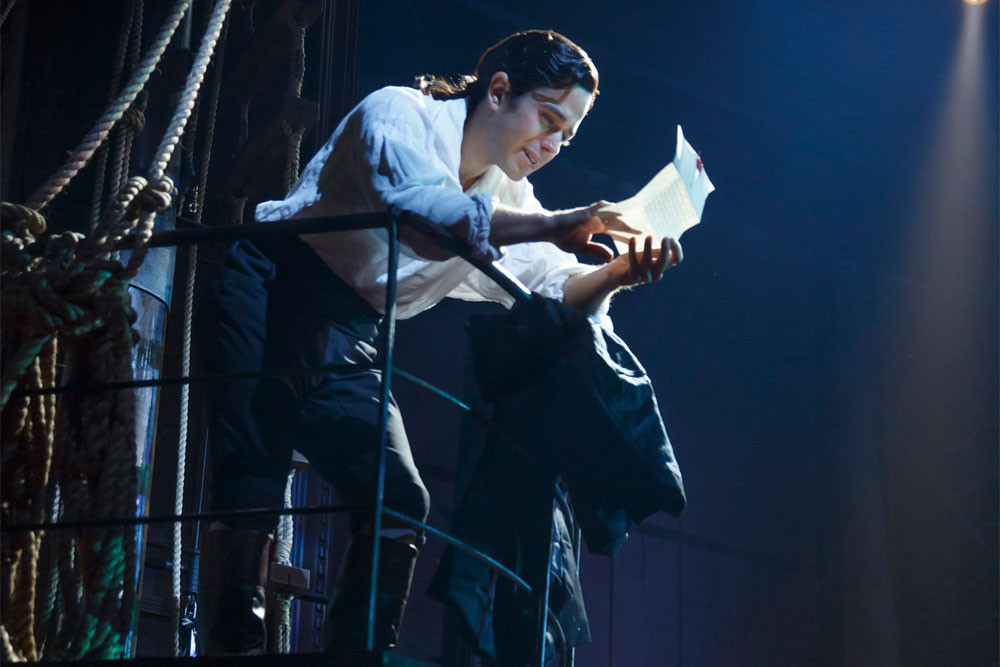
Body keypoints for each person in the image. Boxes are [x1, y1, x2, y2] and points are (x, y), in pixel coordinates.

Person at [200, 29, 682, 656]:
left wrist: (620, 273)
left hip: (355, 328)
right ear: (499, 91)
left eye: (565, 136)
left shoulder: (507, 196)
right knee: (255, 459)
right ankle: (235, 637)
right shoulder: (398, 112)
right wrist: (553, 223)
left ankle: (360, 652)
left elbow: (551, 287)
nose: (551, 145)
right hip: (274, 282)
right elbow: (419, 214)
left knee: (398, 496)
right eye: (547, 118)